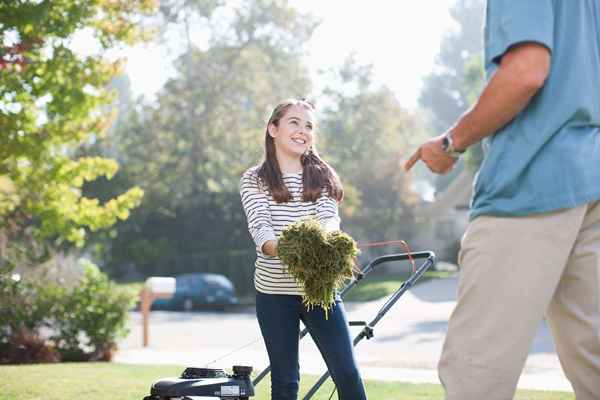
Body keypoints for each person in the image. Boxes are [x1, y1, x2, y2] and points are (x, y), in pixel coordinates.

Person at [405, 1, 600, 399]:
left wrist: (450, 143)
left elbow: (526, 72)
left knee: (475, 371)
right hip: (592, 182)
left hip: (529, 182)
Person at [240, 98, 367, 400]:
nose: (303, 131)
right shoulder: (254, 179)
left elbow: (327, 220)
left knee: (346, 372)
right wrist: (287, 249)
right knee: (285, 380)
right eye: (294, 123)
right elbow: (261, 229)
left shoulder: (322, 176)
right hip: (273, 294)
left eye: (309, 125)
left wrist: (326, 243)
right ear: (273, 128)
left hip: (319, 291)